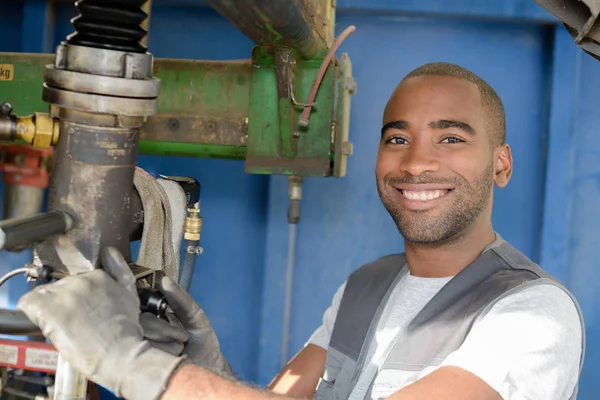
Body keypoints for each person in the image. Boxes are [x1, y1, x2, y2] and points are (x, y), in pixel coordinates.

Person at [17, 62, 584, 400]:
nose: (416, 164)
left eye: (452, 138)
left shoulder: (532, 314)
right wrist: (209, 367)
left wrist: (133, 364)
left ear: (502, 165)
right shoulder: (365, 287)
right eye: (397, 138)